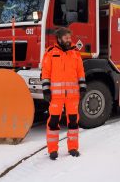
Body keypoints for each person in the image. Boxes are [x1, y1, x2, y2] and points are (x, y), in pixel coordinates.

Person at [41, 27, 87, 160]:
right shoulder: (50, 53)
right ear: (59, 38)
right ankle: (52, 150)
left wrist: (83, 88)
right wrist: (46, 90)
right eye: (66, 38)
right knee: (53, 122)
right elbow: (46, 73)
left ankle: (73, 148)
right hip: (56, 96)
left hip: (73, 96)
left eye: (69, 38)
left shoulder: (75, 53)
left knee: (73, 122)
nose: (69, 40)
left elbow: (80, 72)